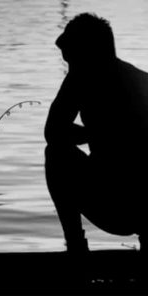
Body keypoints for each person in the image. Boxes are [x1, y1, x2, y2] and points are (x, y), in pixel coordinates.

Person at [45, 13, 148, 253]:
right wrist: (98, 133)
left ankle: (75, 245)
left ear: (88, 53)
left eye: (72, 60)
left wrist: (100, 134)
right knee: (57, 152)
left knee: (56, 156)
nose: (70, 67)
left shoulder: (84, 78)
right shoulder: (138, 79)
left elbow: (54, 132)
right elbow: (54, 131)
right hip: (116, 198)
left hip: (124, 200)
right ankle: (77, 246)